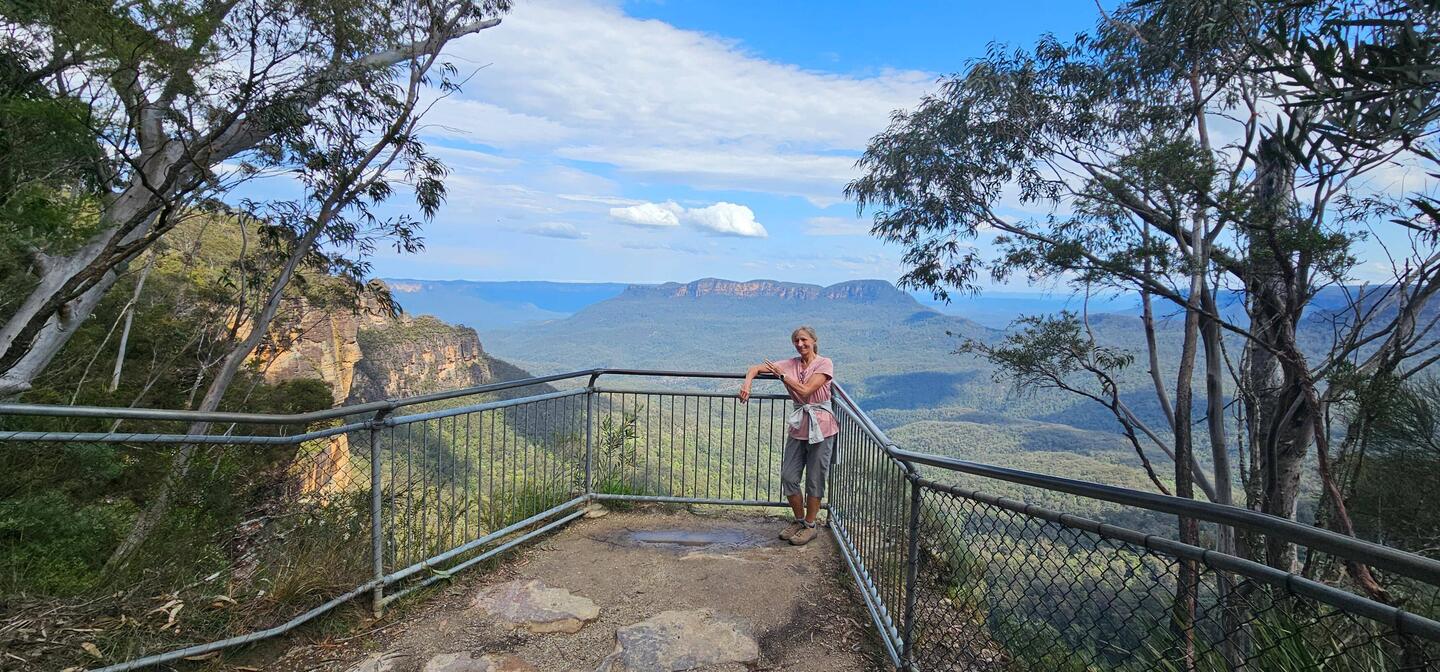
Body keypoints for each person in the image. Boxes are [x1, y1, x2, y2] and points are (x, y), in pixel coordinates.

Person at [738, 326, 837, 546]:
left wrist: (782, 376)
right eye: (796, 341)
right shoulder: (790, 363)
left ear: (813, 340)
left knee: (815, 478)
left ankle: (810, 526)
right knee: (789, 476)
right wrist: (747, 383)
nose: (800, 344)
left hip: (822, 426)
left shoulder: (824, 363)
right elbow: (754, 368)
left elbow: (805, 391)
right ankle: (799, 520)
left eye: (804, 340)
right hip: (799, 426)